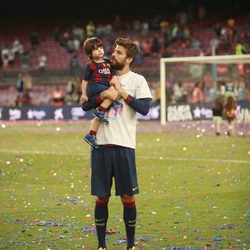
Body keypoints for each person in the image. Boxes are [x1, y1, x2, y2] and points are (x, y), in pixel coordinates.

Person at [81, 37, 152, 250]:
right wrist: (104, 92)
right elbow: (86, 107)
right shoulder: (102, 76)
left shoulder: (138, 80)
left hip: (124, 146)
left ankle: (130, 246)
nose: (113, 54)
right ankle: (102, 245)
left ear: (129, 58)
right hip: (101, 145)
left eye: (119, 53)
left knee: (128, 198)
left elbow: (144, 109)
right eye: (114, 51)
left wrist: (122, 94)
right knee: (101, 197)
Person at [81, 37, 117, 148]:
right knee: (112, 93)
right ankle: (99, 111)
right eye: (96, 49)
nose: (100, 50)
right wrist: (84, 94)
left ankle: (91, 135)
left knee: (100, 115)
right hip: (95, 86)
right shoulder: (90, 65)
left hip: (105, 88)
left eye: (101, 47)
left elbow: (114, 75)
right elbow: (84, 80)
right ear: (90, 54)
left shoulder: (108, 62)